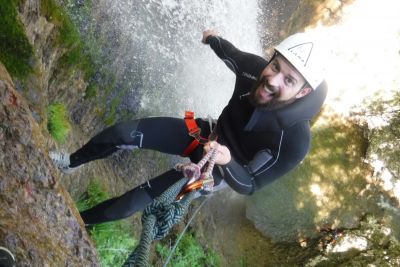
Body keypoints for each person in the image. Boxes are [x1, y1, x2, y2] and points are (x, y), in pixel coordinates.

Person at [50, 30, 328, 225]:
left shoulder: (294, 141)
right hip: (206, 133)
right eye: (275, 66)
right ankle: (70, 163)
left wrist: (227, 161)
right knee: (123, 134)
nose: (273, 80)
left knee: (139, 199)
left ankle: (75, 220)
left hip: (216, 174)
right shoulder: (253, 69)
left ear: (303, 93)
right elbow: (230, 53)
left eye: (289, 80)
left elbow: (250, 184)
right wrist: (211, 38)